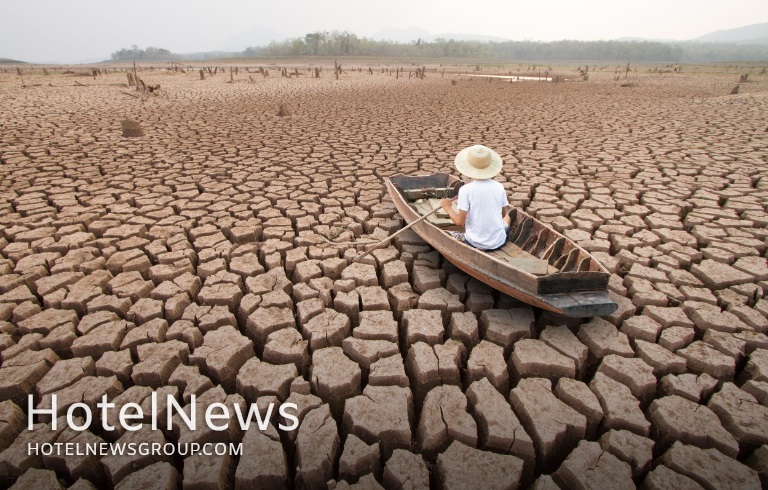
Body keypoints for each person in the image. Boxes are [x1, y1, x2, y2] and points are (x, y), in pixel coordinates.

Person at [440, 144, 511, 251]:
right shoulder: (499, 186)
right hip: (498, 242)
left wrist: (448, 208)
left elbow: (460, 223)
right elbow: (503, 215)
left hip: (474, 243)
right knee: (508, 218)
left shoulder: (466, 190)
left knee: (449, 233)